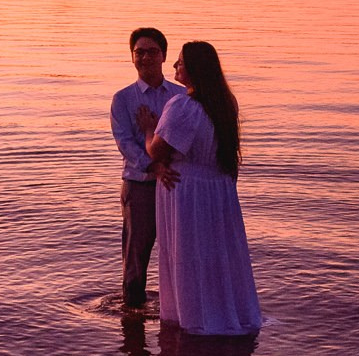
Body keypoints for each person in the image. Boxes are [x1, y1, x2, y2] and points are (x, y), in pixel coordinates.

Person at [148, 41, 262, 336]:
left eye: (180, 63)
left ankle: (194, 316)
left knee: (189, 255)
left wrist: (149, 128)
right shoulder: (225, 104)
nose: (174, 67)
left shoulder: (183, 105)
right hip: (219, 189)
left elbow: (158, 151)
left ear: (196, 69)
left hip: (188, 191)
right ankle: (226, 309)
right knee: (217, 254)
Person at [110, 26, 183, 312]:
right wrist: (154, 166)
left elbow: (186, 137)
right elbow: (124, 143)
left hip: (175, 182)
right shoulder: (123, 99)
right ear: (131, 57)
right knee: (136, 255)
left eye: (152, 52)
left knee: (178, 251)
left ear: (164, 55)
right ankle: (131, 314)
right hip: (139, 185)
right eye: (139, 52)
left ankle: (177, 309)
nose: (145, 58)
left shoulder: (180, 96)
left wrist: (165, 163)